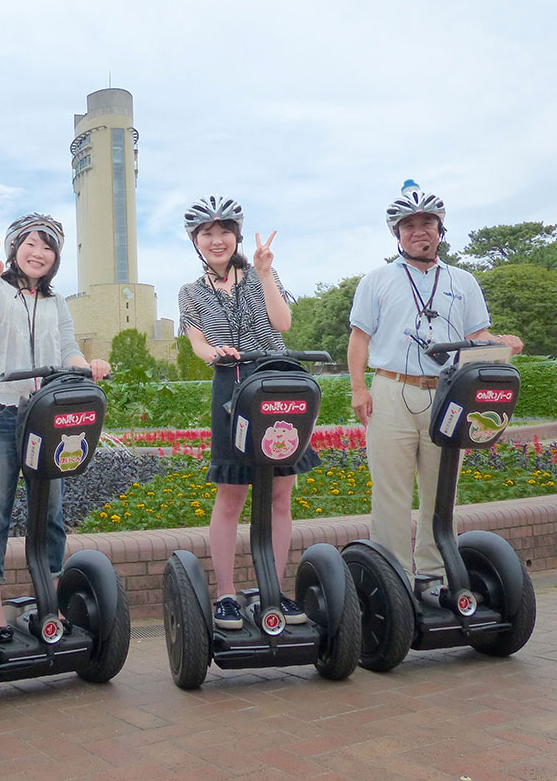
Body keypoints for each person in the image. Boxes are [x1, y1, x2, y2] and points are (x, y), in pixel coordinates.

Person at [347, 179, 523, 607]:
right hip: (391, 388)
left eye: (427, 222)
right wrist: (358, 388)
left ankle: (430, 575)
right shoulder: (377, 280)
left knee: (441, 489)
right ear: (397, 233)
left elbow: (477, 336)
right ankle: (391, 579)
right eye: (409, 225)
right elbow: (359, 339)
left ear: (441, 229)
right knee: (389, 492)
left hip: (448, 394)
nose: (419, 231)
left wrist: (505, 342)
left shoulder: (463, 281)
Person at [0, 213, 109, 642]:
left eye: (48, 247)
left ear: (55, 257)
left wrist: (88, 367)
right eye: (31, 244)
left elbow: (68, 348)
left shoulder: (55, 302)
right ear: (14, 249)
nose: (38, 253)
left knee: (52, 512)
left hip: (45, 415)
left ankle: (51, 602)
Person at [177, 196, 319, 630]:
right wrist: (213, 353)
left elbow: (282, 323)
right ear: (195, 241)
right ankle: (225, 594)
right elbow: (197, 341)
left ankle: (275, 590)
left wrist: (263, 272)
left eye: (224, 232)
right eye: (206, 233)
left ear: (236, 236)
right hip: (230, 385)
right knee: (230, 496)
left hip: (276, 381)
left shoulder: (261, 274)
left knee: (280, 494)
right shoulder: (190, 292)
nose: (216, 240)